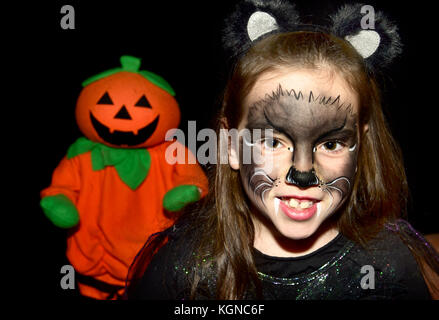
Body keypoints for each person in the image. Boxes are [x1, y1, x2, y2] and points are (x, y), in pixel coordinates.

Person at [125, 0, 439, 299]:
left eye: (331, 144)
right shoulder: (180, 274)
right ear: (230, 145)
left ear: (360, 146)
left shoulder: (391, 269)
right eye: (273, 142)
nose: (303, 173)